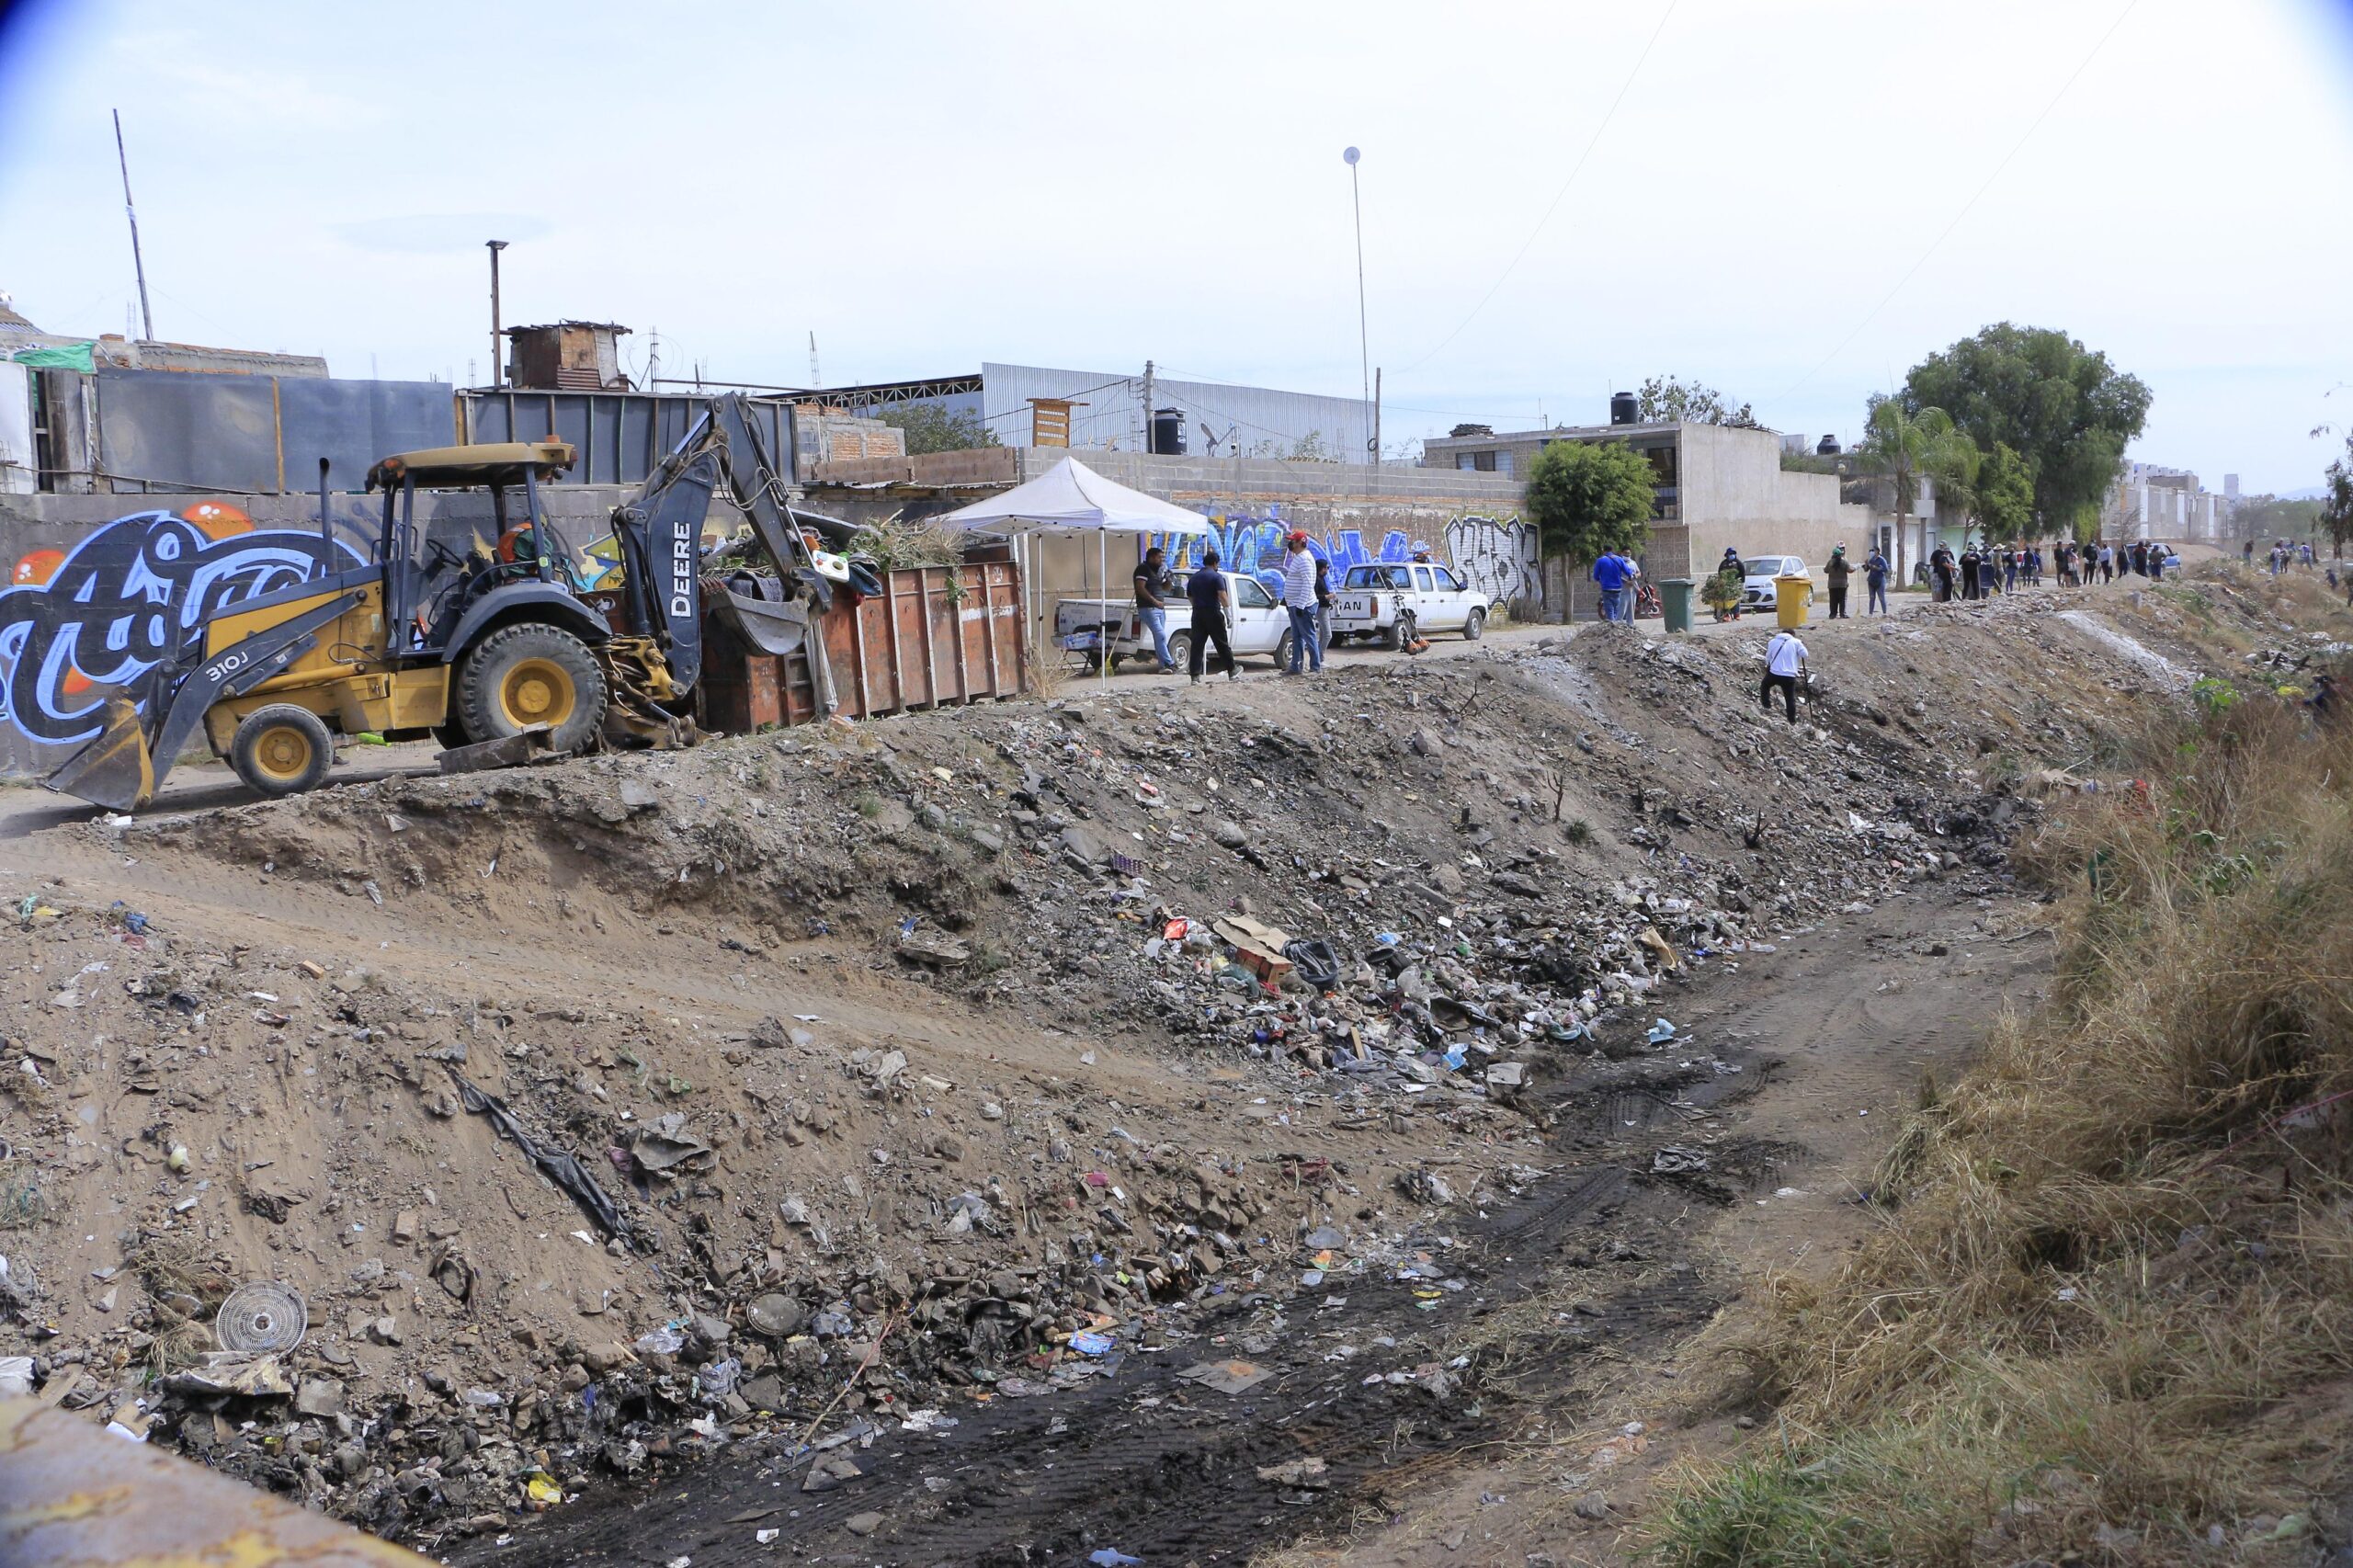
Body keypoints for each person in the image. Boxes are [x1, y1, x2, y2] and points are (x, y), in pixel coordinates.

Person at [1185, 548, 1238, 683]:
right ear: (1215, 563)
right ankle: (1232, 671)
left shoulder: (1194, 577)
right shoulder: (1216, 577)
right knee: (1221, 644)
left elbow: (1190, 595)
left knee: (1197, 644)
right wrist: (1228, 614)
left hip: (1197, 614)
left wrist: (1197, 606)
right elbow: (1222, 595)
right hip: (1213, 613)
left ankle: (1195, 676)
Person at [1280, 530, 1323, 675]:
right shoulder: (1299, 558)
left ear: (1300, 543)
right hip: (1295, 603)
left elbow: (1308, 583)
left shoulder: (1304, 559)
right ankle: (1296, 666)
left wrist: (1300, 605)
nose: (1290, 543)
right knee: (1297, 636)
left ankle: (1315, 667)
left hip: (1302, 605)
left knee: (1308, 636)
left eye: (1293, 541)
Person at [1133, 546, 1176, 673]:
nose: (1161, 560)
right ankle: (1170, 663)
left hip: (1160, 608)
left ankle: (1163, 666)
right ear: (1151, 558)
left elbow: (1164, 589)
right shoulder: (1143, 569)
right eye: (1159, 557)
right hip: (1148, 608)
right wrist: (1154, 601)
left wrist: (1169, 580)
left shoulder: (1158, 570)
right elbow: (1140, 588)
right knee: (1160, 635)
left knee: (1160, 637)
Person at [1760, 623, 1808, 724]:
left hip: (1774, 672)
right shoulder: (1796, 642)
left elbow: (1768, 657)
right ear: (1792, 635)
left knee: (1765, 685)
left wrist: (1768, 664)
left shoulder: (1773, 641)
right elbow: (1805, 654)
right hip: (1789, 676)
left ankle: (1766, 704)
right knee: (1790, 699)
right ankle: (1792, 720)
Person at [1592, 547, 1637, 623]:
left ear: (1604, 550)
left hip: (1606, 589)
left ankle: (1612, 627)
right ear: (1612, 550)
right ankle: (1616, 626)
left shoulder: (1600, 560)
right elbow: (1628, 572)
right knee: (1617, 610)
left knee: (1609, 611)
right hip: (1618, 589)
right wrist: (1632, 578)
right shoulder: (1619, 559)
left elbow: (1595, 576)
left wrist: (1601, 581)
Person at [1821, 544, 1854, 619]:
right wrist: (1856, 567)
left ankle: (1833, 614)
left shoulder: (1830, 562)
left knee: (1833, 600)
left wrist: (1824, 569)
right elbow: (1850, 570)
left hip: (1832, 585)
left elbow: (1826, 571)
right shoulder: (1844, 562)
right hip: (1842, 585)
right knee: (1842, 600)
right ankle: (1842, 614)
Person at [1313, 555, 1336, 655]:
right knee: (1328, 635)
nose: (1327, 570)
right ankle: (1319, 657)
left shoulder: (1321, 579)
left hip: (1325, 609)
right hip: (1321, 609)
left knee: (1323, 635)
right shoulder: (1317, 580)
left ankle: (1318, 657)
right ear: (1322, 568)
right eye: (1326, 568)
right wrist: (1327, 597)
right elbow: (1315, 596)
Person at [1864, 544, 1891, 615]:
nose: (1872, 552)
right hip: (1871, 581)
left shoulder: (1882, 560)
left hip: (1880, 581)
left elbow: (1886, 569)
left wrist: (1877, 568)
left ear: (1877, 551)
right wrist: (1866, 564)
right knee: (1872, 598)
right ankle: (1870, 613)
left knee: (1881, 597)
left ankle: (1884, 613)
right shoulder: (1871, 559)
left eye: (1874, 551)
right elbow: (1866, 569)